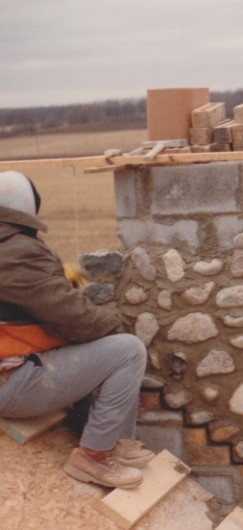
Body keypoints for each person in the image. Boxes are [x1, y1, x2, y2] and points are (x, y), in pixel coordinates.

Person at [0, 170, 153, 489]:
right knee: (127, 351)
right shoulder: (15, 252)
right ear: (27, 206)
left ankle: (114, 443)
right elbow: (69, 317)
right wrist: (113, 326)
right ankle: (94, 456)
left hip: (10, 373)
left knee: (92, 349)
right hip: (10, 384)